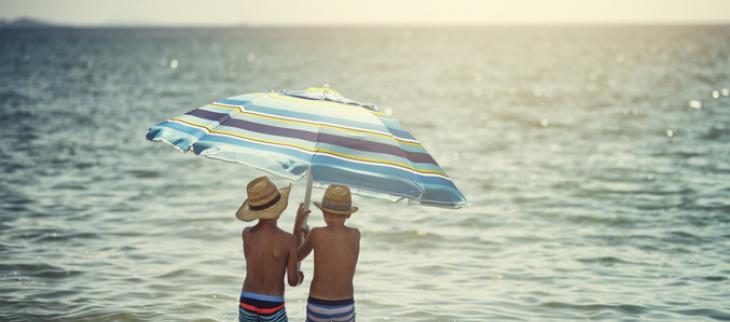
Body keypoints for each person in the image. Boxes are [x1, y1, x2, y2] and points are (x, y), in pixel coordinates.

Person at [236, 176, 303, 322]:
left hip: (247, 300)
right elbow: (292, 281)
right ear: (279, 208)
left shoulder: (247, 234)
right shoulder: (289, 240)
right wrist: (300, 278)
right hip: (272, 303)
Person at [294, 184, 360, 322]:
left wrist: (298, 224)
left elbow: (297, 256)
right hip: (345, 303)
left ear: (323, 212)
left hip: (318, 303)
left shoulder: (316, 233)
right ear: (348, 214)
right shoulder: (355, 234)